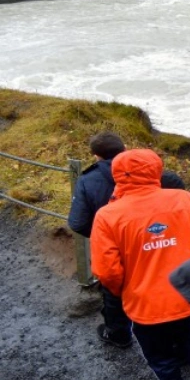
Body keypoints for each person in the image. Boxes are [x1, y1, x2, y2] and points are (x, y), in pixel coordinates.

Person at [90, 148, 190, 380]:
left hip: (145, 306)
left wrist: (127, 290)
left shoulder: (107, 216)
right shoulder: (184, 200)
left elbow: (106, 270)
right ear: (155, 170)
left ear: (117, 175)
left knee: (161, 358)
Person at [68, 131, 133, 348]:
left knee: (113, 287)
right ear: (124, 149)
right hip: (146, 239)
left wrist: (100, 235)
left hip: (111, 245)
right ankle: (170, 341)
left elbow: (77, 222)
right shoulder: (143, 171)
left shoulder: (88, 180)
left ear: (96, 155)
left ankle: (118, 334)